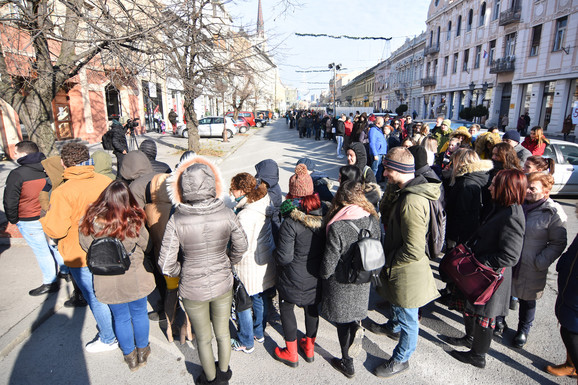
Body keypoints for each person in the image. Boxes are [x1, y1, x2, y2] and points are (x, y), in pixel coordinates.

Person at [158, 154, 248, 385]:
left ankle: (210, 379)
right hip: (223, 282)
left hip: (192, 288)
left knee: (204, 338)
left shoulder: (177, 219)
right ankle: (224, 373)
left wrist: (183, 268)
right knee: (223, 332)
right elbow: (242, 245)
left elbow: (165, 263)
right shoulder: (227, 213)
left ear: (183, 188)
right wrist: (228, 261)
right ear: (211, 183)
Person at [445, 169, 526, 369]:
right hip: (483, 270)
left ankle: (477, 355)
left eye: (494, 184)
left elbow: (511, 256)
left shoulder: (512, 215)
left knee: (485, 316)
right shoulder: (500, 206)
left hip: (491, 276)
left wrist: (482, 263)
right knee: (474, 310)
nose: (489, 187)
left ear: (505, 189)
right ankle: (469, 340)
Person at [40, 143, 116, 353]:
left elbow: (55, 230)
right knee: (110, 293)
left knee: (94, 296)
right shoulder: (106, 181)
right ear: (87, 159)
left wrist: (44, 215)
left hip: (79, 254)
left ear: (64, 163)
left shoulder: (63, 191)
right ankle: (117, 330)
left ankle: (108, 337)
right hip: (109, 247)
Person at [372, 147, 441, 378]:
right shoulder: (404, 190)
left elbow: (413, 249)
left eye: (388, 169)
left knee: (409, 318)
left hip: (407, 271)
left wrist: (389, 263)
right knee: (399, 309)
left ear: (400, 170)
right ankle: (392, 327)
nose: (384, 174)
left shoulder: (412, 202)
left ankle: (401, 359)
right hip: (399, 268)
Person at [79, 181, 155, 371]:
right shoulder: (133, 220)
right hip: (134, 276)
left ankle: (129, 356)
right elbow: (148, 246)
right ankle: (143, 351)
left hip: (105, 278)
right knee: (139, 314)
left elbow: (85, 246)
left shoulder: (90, 219)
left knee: (120, 317)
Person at [498, 172, 567, 349]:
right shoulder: (517, 204)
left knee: (527, 300)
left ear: (545, 191)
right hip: (510, 260)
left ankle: (523, 330)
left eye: (532, 188)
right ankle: (500, 320)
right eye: (526, 186)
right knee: (504, 292)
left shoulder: (552, 212)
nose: (527, 190)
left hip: (532, 265)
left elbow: (558, 242)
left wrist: (541, 261)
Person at [321, 180, 380, 379]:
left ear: (342, 198)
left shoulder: (338, 225)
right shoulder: (373, 218)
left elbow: (330, 260)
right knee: (354, 314)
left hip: (341, 282)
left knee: (342, 322)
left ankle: (347, 362)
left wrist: (323, 275)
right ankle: (357, 326)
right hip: (363, 277)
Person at [273, 170, 324, 368]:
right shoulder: (323, 214)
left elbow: (284, 257)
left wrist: (274, 256)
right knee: (312, 309)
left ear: (291, 195)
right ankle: (309, 348)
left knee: (286, 308)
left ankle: (291, 352)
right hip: (315, 276)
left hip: (293, 278)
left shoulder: (290, 222)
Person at [3, 141, 67, 296]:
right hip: (50, 215)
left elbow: (10, 200)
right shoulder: (50, 168)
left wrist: (13, 219)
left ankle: (50, 282)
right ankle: (66, 271)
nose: (14, 155)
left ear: (25, 154)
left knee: (42, 250)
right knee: (55, 245)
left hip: (29, 219)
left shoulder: (17, 174)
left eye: (16, 152)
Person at [229, 173, 276, 354]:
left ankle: (245, 341)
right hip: (263, 259)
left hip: (248, 265)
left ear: (241, 190)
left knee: (243, 303)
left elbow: (242, 247)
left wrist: (231, 259)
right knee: (259, 296)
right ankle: (259, 331)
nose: (231, 192)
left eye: (233, 189)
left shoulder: (245, 216)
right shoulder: (263, 202)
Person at [546, 202, 578, 379]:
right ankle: (571, 365)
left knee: (571, 332)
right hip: (570, 288)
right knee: (567, 326)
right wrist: (564, 263)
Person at [445, 149, 493, 248]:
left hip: (461, 235)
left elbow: (460, 213)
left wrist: (452, 236)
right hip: (473, 232)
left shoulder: (466, 183)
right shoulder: (483, 177)